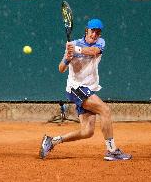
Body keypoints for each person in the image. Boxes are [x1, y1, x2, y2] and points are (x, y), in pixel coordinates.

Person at [39, 19, 132, 161]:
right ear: (86, 30)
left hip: (88, 89)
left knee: (87, 132)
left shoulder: (100, 43)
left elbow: (93, 52)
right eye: (92, 31)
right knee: (105, 110)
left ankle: (52, 141)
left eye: (98, 32)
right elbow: (61, 69)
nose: (95, 34)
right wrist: (68, 58)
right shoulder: (74, 44)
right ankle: (112, 151)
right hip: (76, 88)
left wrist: (75, 50)